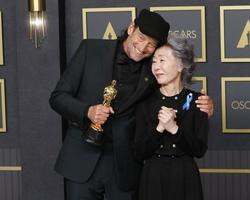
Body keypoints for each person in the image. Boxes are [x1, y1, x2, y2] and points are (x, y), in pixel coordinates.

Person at [49, 9, 213, 200]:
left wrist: (204, 104)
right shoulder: (90, 49)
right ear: (131, 28)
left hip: (125, 164)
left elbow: (174, 91)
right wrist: (87, 111)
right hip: (82, 158)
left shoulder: (154, 70)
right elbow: (58, 97)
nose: (143, 48)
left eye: (151, 45)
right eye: (141, 37)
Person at [134, 34, 208, 200]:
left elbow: (199, 150)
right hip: (152, 176)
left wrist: (174, 128)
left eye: (162, 60)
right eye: (154, 61)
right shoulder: (144, 104)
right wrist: (159, 128)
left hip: (185, 176)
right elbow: (139, 152)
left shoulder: (198, 101)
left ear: (181, 65)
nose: (156, 66)